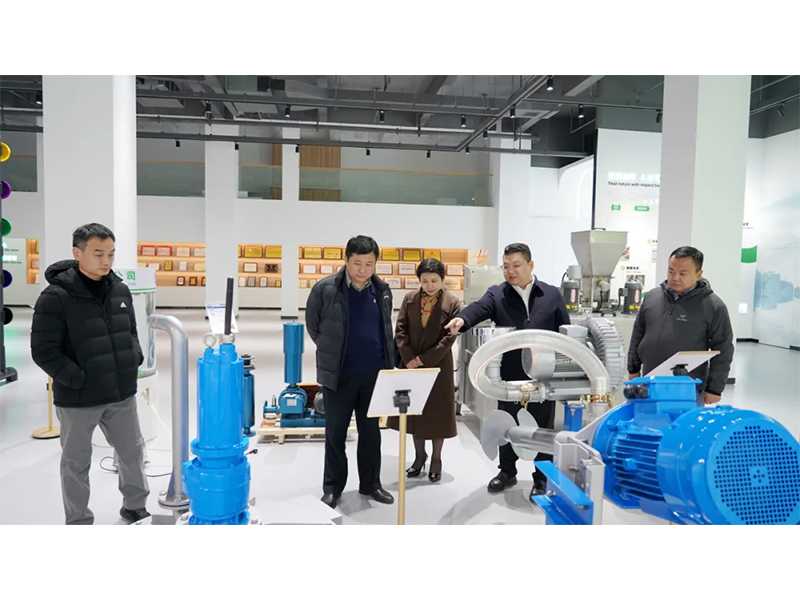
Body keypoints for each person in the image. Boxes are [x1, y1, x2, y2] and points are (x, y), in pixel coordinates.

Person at [30, 223, 149, 525]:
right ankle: (79, 520)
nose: (106, 261)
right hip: (78, 399)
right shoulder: (55, 297)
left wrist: (133, 358)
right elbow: (44, 351)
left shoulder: (120, 290)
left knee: (132, 452)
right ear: (77, 253)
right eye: (98, 254)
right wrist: (78, 379)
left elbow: (131, 332)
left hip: (121, 394)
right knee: (76, 463)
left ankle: (135, 506)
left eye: (111, 254)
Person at [444, 243, 570, 496]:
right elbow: (478, 308)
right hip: (509, 376)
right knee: (506, 422)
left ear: (530, 265)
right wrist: (462, 319)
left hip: (543, 375)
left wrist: (563, 371)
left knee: (543, 427)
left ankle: (541, 477)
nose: (510, 271)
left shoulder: (551, 294)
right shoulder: (497, 294)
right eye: (506, 266)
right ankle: (507, 472)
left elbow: (565, 332)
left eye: (516, 265)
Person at [306, 235, 396, 509]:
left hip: (373, 376)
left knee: (371, 434)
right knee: (335, 434)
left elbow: (384, 328)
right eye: (357, 263)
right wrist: (333, 352)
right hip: (339, 376)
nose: (363, 270)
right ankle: (332, 488)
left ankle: (371, 484)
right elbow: (314, 326)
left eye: (369, 264)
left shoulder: (382, 290)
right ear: (346, 260)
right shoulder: (325, 289)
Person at [387, 258, 462, 482]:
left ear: (442, 279)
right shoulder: (410, 299)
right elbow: (400, 330)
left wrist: (424, 359)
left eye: (434, 280)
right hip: (411, 364)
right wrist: (409, 357)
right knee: (414, 413)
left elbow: (449, 338)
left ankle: (436, 459)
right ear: (419, 280)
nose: (429, 285)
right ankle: (419, 457)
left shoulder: (452, 302)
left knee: (438, 413)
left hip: (439, 365)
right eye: (425, 280)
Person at [627, 246, 734, 403]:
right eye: (671, 271)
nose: (675, 277)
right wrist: (633, 369)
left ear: (698, 274)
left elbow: (723, 349)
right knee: (646, 418)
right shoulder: (652, 297)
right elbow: (638, 335)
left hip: (687, 389)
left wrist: (714, 389)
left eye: (683, 273)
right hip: (649, 384)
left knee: (683, 420)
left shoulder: (713, 306)